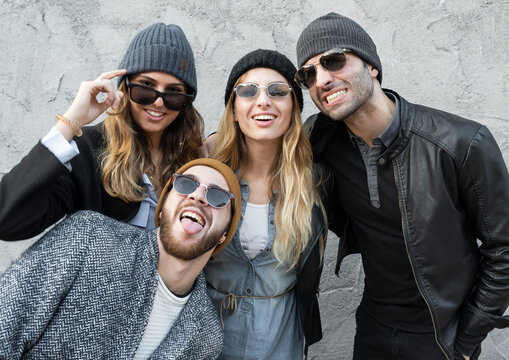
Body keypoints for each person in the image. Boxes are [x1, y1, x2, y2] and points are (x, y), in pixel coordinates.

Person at [295, 12, 509, 360]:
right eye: (309, 73)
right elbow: (264, 150)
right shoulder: (320, 139)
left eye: (333, 60)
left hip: (442, 337)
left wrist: (468, 339)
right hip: (373, 325)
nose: (322, 79)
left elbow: (504, 249)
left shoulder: (460, 143)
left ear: (371, 66)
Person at [0, 158, 241, 359]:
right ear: (164, 203)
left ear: (223, 234)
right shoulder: (89, 237)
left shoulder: (206, 337)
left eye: (217, 196)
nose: (197, 197)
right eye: (186, 184)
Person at [0, 22, 204, 240]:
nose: (158, 102)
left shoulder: (194, 161)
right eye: (145, 87)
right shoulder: (89, 150)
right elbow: (7, 221)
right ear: (125, 87)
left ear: (186, 102)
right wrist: (70, 122)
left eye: (173, 93)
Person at [203, 49, 328, 359]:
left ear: (293, 108)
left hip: (280, 340)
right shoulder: (207, 176)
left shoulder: (316, 182)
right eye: (247, 91)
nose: (263, 101)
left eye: (277, 91)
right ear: (233, 109)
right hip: (207, 336)